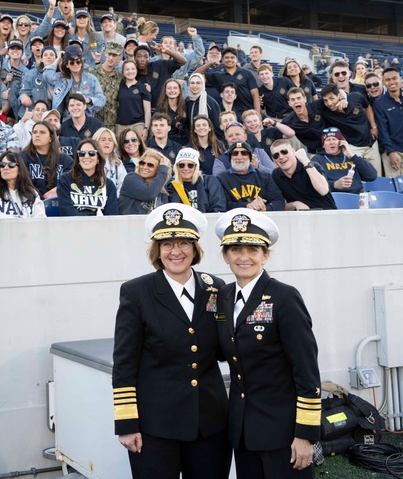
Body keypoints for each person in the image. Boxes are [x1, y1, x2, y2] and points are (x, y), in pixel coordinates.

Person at [112, 203, 231, 479]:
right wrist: (127, 423)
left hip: (210, 423)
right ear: (157, 250)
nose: (175, 251)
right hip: (155, 426)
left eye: (183, 243)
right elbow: (124, 363)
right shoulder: (136, 292)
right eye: (167, 244)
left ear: (195, 248)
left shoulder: (216, 287)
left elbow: (228, 348)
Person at [214, 209, 321, 479]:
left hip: (282, 431)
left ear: (266, 255)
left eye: (253, 249)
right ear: (225, 256)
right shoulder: (223, 297)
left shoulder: (284, 297)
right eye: (235, 249)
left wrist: (305, 434)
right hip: (242, 430)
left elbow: (306, 369)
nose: (244, 257)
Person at [373, 67, 403, 177]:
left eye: (394, 78)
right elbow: (382, 129)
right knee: (395, 189)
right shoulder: (380, 103)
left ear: (400, 79)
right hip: (392, 151)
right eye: (388, 80)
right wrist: (390, 152)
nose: (392, 82)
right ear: (383, 83)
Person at [214, 141, 285, 211]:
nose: (239, 157)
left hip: (261, 218)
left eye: (244, 153)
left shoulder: (264, 177)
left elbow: (279, 201)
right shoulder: (221, 179)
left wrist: (265, 208)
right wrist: (247, 206)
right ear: (230, 158)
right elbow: (223, 204)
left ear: (250, 157)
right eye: (235, 153)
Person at [0, 151, 46, 218]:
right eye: (2, 165)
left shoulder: (31, 193)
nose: (5, 168)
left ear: (20, 170)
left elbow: (40, 219)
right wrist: (9, 220)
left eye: (11, 165)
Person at [57, 138, 119, 216]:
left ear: (98, 158)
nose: (86, 156)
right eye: (82, 153)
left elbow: (112, 215)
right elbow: (66, 211)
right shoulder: (65, 180)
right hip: (73, 226)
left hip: (99, 227)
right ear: (78, 158)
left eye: (91, 153)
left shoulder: (108, 185)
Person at [269, 140, 335, 211]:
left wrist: (305, 160)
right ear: (274, 160)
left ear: (293, 151)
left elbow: (323, 190)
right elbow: (277, 205)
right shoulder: (276, 175)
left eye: (284, 152)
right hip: (299, 218)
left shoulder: (312, 166)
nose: (281, 157)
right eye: (276, 155)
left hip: (325, 213)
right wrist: (295, 204)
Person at [311, 128, 378, 195]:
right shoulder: (317, 160)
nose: (331, 142)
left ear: (340, 142)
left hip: (356, 195)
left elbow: (372, 176)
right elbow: (314, 184)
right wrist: (334, 185)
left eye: (334, 139)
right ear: (323, 145)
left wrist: (351, 155)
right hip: (332, 197)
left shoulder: (352, 157)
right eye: (328, 140)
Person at [21, 120, 73, 199]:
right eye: (34, 132)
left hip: (59, 203)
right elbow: (22, 183)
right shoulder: (23, 157)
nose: (37, 135)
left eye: (42, 132)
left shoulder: (65, 160)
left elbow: (73, 180)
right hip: (31, 201)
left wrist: (58, 190)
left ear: (51, 138)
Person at [165, 147, 226, 212]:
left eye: (190, 165)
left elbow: (218, 207)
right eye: (181, 165)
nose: (185, 168)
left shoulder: (209, 181)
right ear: (176, 167)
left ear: (196, 167)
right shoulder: (170, 185)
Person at [119, 149, 171, 215]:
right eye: (142, 163)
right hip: (130, 224)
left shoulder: (162, 191)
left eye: (150, 165)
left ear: (158, 169)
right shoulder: (131, 178)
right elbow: (149, 194)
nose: (144, 167)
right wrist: (163, 171)